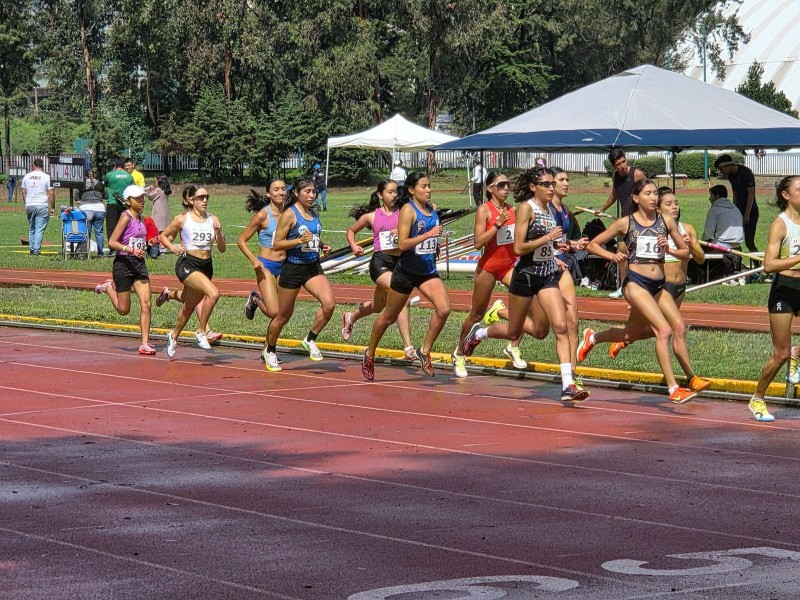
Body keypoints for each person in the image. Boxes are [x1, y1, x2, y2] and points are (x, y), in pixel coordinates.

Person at [458, 167, 589, 403]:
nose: (551, 188)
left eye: (552, 184)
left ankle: (568, 385)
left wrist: (562, 245)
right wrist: (548, 238)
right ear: (533, 187)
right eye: (546, 184)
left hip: (547, 276)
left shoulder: (548, 210)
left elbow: (544, 242)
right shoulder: (526, 208)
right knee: (513, 331)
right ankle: (479, 333)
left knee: (558, 327)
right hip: (525, 276)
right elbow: (519, 248)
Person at [579, 179, 707, 404]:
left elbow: (686, 253)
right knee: (664, 331)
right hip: (636, 283)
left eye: (655, 193)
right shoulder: (625, 223)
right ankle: (673, 388)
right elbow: (592, 244)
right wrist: (612, 256)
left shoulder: (666, 222)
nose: (653, 197)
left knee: (631, 334)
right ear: (636, 198)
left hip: (659, 285)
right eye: (648, 193)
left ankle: (593, 337)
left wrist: (669, 250)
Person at [606, 187, 709, 390]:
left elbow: (699, 258)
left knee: (646, 331)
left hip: (679, 286)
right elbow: (629, 254)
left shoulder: (686, 228)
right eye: (669, 204)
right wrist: (632, 288)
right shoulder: (652, 226)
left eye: (676, 203)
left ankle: (612, 338)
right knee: (673, 329)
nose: (675, 207)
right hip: (660, 285)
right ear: (659, 209)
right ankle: (690, 378)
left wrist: (689, 245)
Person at [451, 170, 541, 378]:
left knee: (529, 304)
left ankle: (513, 346)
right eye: (501, 185)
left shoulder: (513, 210)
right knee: (477, 314)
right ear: (490, 188)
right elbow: (477, 243)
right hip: (489, 267)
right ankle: (459, 353)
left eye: (507, 184)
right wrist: (498, 224)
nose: (506, 189)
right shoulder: (484, 210)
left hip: (509, 266)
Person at [361, 172, 450, 380]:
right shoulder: (408, 210)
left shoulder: (432, 208)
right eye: (424, 186)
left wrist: (434, 245)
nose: (428, 190)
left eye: (429, 186)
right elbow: (402, 244)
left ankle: (424, 351)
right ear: (411, 190)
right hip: (406, 272)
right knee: (389, 317)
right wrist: (428, 236)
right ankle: (369, 353)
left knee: (444, 309)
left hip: (427, 270)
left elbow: (429, 235)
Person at [263, 177, 335, 371]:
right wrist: (298, 241)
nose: (311, 195)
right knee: (283, 316)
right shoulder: (289, 214)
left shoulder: (313, 212)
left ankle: (310, 339)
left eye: (314, 192)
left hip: (312, 267)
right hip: (293, 268)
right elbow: (277, 244)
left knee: (329, 305)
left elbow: (312, 237)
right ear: (296, 193)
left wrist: (322, 245)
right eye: (307, 192)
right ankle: (270, 350)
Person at [342, 180, 417, 361]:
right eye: (390, 192)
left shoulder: (405, 212)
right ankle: (408, 347)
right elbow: (351, 231)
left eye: (396, 192)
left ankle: (350, 317)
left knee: (377, 306)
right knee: (402, 298)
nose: (394, 195)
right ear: (380, 195)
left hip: (399, 263)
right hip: (380, 263)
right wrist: (354, 246)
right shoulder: (371, 216)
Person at [748, 175, 800, 422]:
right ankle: (758, 398)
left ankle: (796, 354)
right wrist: (797, 258)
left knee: (790, 351)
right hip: (785, 289)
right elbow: (769, 265)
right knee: (780, 353)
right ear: (786, 195)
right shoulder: (780, 224)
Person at [159, 184, 227, 358]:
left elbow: (222, 249)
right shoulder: (183, 219)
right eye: (201, 198)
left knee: (188, 307)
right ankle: (202, 331)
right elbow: (163, 236)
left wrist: (219, 233)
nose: (205, 201)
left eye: (206, 197)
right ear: (191, 200)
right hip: (188, 264)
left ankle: (173, 336)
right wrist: (172, 247)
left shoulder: (213, 219)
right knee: (213, 293)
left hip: (206, 266)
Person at [93, 185, 156, 355]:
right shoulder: (125, 217)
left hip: (139, 264)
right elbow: (112, 242)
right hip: (123, 264)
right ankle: (108, 287)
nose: (142, 201)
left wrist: (148, 244)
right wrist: (131, 250)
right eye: (138, 198)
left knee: (146, 303)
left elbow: (138, 241)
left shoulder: (142, 219)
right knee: (123, 310)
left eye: (143, 198)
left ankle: (144, 343)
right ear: (128, 201)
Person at [237, 180, 287, 360]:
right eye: (276, 189)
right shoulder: (263, 215)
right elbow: (241, 240)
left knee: (282, 314)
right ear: (268, 194)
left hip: (285, 266)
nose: (280, 192)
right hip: (266, 265)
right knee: (274, 311)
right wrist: (254, 259)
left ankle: (268, 350)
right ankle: (255, 298)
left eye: (283, 189)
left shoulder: (289, 214)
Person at [596, 149, 647, 298]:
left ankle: (644, 285)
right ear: (614, 166)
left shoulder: (637, 174)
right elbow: (614, 195)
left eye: (623, 162)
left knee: (640, 253)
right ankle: (624, 287)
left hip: (639, 220)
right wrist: (602, 209)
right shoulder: (615, 176)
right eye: (618, 164)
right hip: (624, 221)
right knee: (621, 251)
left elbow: (649, 193)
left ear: (626, 159)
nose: (622, 166)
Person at [714, 154, 759, 253]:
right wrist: (734, 210)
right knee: (735, 240)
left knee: (749, 242)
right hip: (739, 210)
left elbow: (751, 194)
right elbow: (735, 193)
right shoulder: (731, 175)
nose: (721, 172)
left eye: (721, 169)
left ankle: (757, 261)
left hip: (750, 210)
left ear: (727, 165)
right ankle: (736, 260)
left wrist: (747, 214)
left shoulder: (746, 172)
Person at [701, 184, 745, 283]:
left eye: (711, 195)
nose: (709, 198)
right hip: (737, 247)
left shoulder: (714, 210)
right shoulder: (735, 209)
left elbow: (708, 234)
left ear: (717, 196)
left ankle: (702, 278)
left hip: (721, 247)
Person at [21, 158, 55, 256]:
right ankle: (36, 251)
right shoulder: (47, 177)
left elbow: (23, 192)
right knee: (39, 229)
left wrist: (26, 203)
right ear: (42, 166)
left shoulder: (26, 176)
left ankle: (32, 250)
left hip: (30, 205)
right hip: (42, 205)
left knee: (32, 228)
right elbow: (51, 194)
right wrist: (52, 207)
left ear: (34, 165)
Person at [102, 158, 134, 246]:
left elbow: (103, 185)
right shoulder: (129, 176)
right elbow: (132, 189)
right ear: (124, 165)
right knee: (125, 225)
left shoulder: (109, 175)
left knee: (111, 226)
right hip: (124, 204)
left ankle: (112, 247)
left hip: (112, 203)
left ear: (115, 165)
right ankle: (124, 244)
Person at [77, 170, 106, 257]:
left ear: (86, 176)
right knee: (99, 232)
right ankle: (100, 253)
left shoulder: (81, 184)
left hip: (86, 209)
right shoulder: (100, 184)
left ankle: (86, 253)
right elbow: (105, 196)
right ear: (95, 175)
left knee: (87, 232)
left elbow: (76, 198)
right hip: (100, 209)